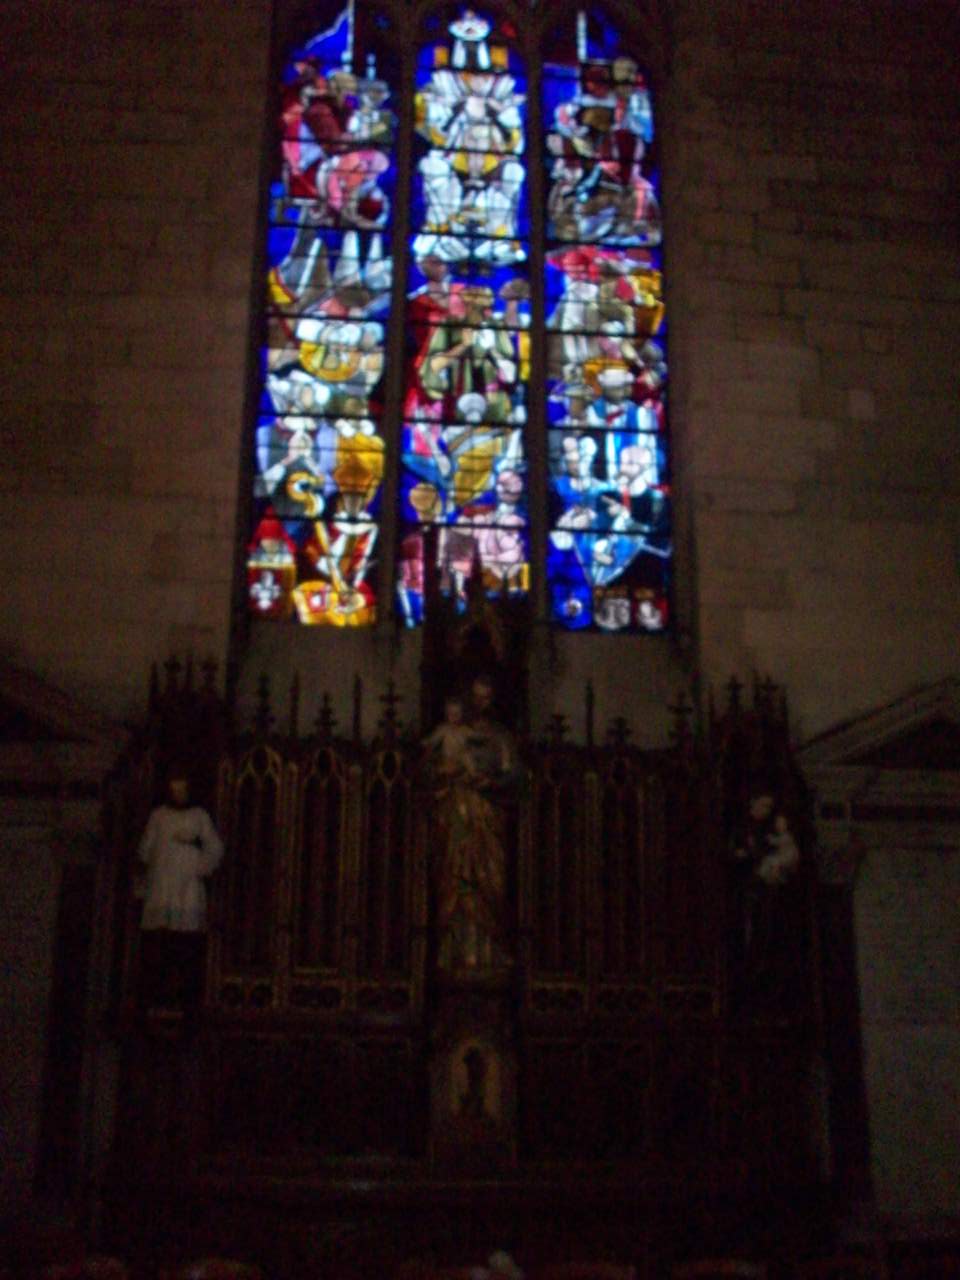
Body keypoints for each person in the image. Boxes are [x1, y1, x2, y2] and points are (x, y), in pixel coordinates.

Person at [137, 773, 224, 1010]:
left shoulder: (199, 816)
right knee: (161, 943)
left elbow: (214, 848)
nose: (179, 795)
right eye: (175, 790)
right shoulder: (159, 816)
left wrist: (198, 862)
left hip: (187, 887)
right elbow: (146, 849)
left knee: (185, 944)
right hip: (163, 885)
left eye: (182, 790)